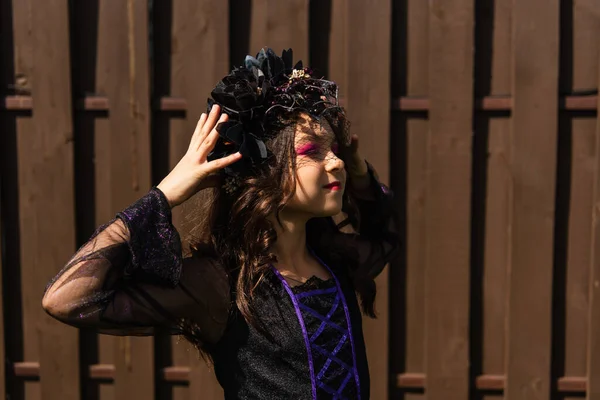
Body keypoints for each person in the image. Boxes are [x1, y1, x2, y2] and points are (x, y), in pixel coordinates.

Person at [42, 48, 398, 399]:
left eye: (334, 149)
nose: (335, 162)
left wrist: (361, 172)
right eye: (311, 151)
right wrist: (163, 196)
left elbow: (387, 237)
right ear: (261, 171)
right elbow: (67, 300)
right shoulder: (223, 283)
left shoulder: (336, 262)